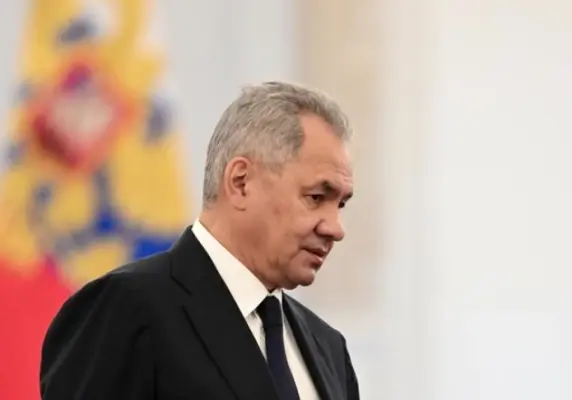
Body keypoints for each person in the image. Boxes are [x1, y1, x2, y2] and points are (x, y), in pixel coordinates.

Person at [40, 81, 360, 400]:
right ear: (241, 182)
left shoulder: (329, 349)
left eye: (341, 204)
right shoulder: (126, 310)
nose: (336, 228)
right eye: (316, 197)